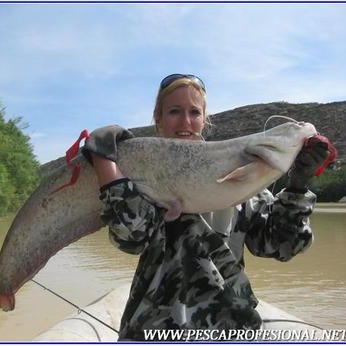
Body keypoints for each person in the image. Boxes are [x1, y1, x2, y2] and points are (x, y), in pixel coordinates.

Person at [82, 74, 329, 341]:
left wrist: (298, 186)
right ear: (158, 118)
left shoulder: (241, 174)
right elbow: (131, 238)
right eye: (175, 111)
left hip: (228, 330)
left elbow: (280, 245)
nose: (186, 122)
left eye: (194, 112)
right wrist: (105, 162)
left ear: (204, 118)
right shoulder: (141, 178)